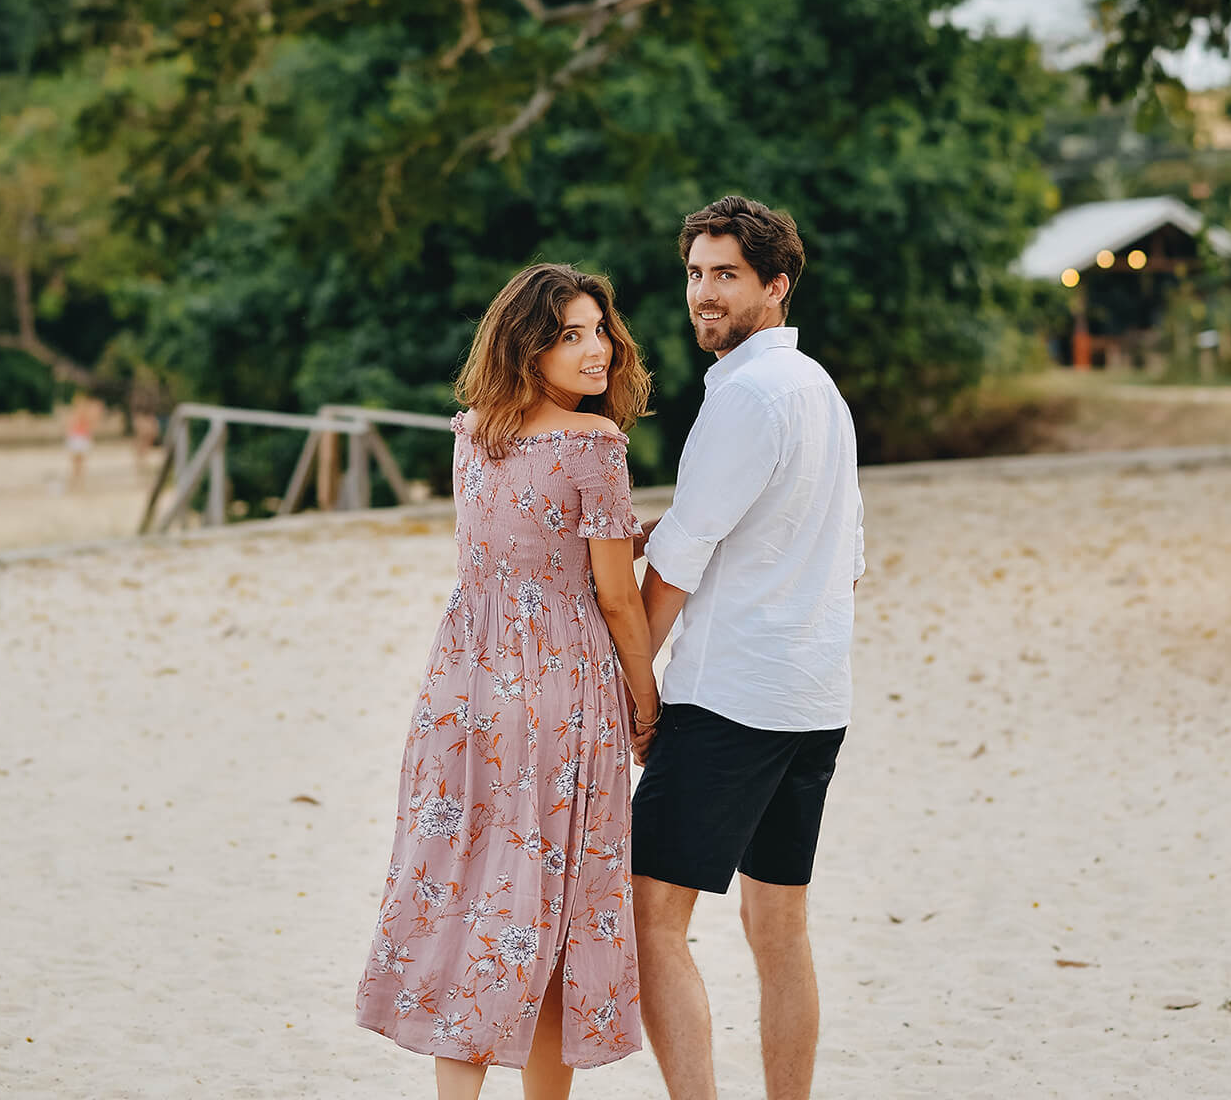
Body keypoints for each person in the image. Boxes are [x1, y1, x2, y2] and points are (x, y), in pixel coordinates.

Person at [355, 263, 658, 1099]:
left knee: (477, 897)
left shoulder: (472, 430)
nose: (597, 349)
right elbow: (614, 601)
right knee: (554, 913)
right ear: (530, 347)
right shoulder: (595, 446)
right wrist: (646, 698)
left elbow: (525, 544)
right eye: (571, 335)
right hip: (559, 690)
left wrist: (628, 535)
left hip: (466, 687)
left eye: (600, 329)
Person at [631, 196, 864, 1100]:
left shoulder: (748, 398)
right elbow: (841, 559)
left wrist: (638, 690)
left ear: (777, 284)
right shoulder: (822, 396)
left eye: (726, 275)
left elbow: (677, 566)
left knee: (651, 916)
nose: (704, 293)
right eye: (695, 273)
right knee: (780, 930)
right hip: (813, 700)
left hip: (731, 702)